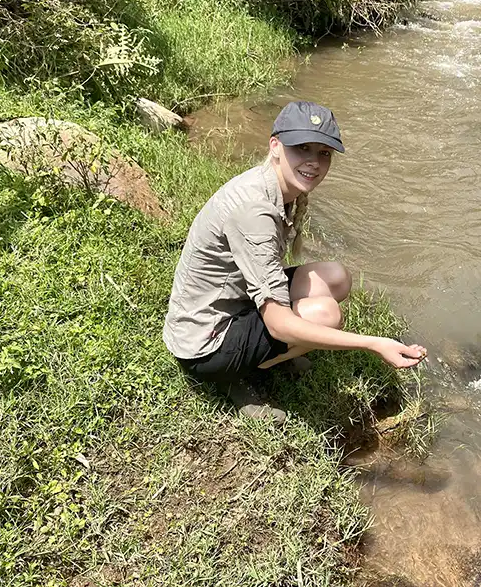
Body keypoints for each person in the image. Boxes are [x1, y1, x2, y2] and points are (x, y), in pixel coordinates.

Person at [163, 101, 427, 422]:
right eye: (302, 148)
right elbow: (278, 323)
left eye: (323, 153)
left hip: (236, 300)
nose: (314, 163)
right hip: (205, 342)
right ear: (275, 145)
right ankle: (237, 377)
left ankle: (272, 354)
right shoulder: (255, 210)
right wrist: (372, 343)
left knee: (336, 277)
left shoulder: (278, 185)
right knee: (327, 314)